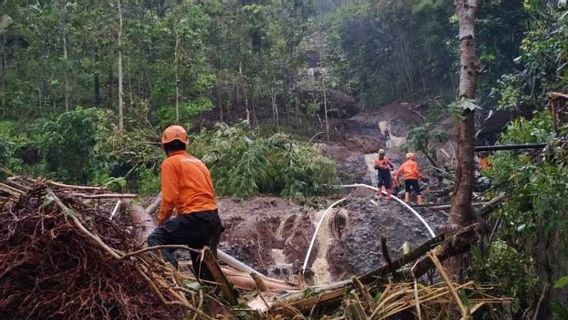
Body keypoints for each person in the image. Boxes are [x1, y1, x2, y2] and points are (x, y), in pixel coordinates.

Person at [147, 125, 223, 282]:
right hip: (213, 220)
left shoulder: (170, 163)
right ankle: (216, 302)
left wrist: (161, 223)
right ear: (185, 144)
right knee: (206, 275)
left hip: (195, 218)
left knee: (156, 240)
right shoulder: (198, 163)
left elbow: (169, 199)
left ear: (165, 145)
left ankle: (172, 281)